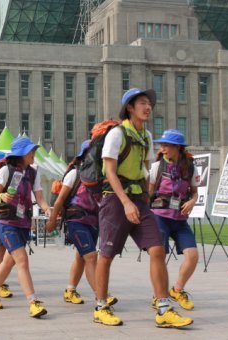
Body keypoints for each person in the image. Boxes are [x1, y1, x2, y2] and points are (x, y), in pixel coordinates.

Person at [94, 88, 192, 328]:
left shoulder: (146, 136)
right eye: (142, 103)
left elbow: (145, 169)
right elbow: (109, 171)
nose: (148, 107)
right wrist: (126, 202)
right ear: (130, 107)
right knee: (106, 255)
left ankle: (163, 308)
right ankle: (100, 306)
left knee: (157, 249)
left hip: (139, 200)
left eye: (149, 103)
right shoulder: (117, 133)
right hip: (116, 200)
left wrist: (145, 199)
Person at [0, 136, 51, 318]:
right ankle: (33, 302)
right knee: (22, 260)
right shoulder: (5, 171)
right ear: (21, 154)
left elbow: (39, 196)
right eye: (31, 151)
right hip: (5, 222)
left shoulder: (33, 172)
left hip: (23, 222)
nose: (34, 154)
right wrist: (2, 197)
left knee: (8, 262)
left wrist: (46, 209)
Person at [46, 140, 117, 307]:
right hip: (76, 220)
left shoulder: (102, 176)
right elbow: (60, 200)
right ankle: (101, 295)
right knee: (91, 257)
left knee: (81, 256)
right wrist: (52, 221)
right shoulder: (74, 174)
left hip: (94, 221)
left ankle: (70, 290)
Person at [149, 129, 199, 311]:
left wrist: (192, 202)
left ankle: (177, 290)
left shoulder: (190, 167)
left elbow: (195, 192)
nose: (162, 148)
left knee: (192, 256)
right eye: (161, 145)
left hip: (180, 220)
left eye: (166, 145)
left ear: (177, 147)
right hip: (159, 217)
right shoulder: (157, 167)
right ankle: (158, 295)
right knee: (159, 257)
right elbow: (149, 192)